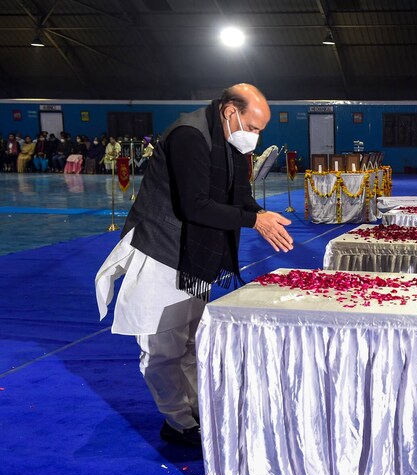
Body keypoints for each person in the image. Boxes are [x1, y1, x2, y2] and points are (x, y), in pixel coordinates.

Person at [94, 83, 294, 448]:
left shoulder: (229, 139)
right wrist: (255, 222)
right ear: (231, 112)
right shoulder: (189, 135)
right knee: (162, 346)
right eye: (253, 127)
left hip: (197, 254)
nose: (255, 136)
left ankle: (198, 411)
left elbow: (240, 194)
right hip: (163, 251)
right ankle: (177, 420)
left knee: (190, 340)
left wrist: (260, 214)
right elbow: (195, 205)